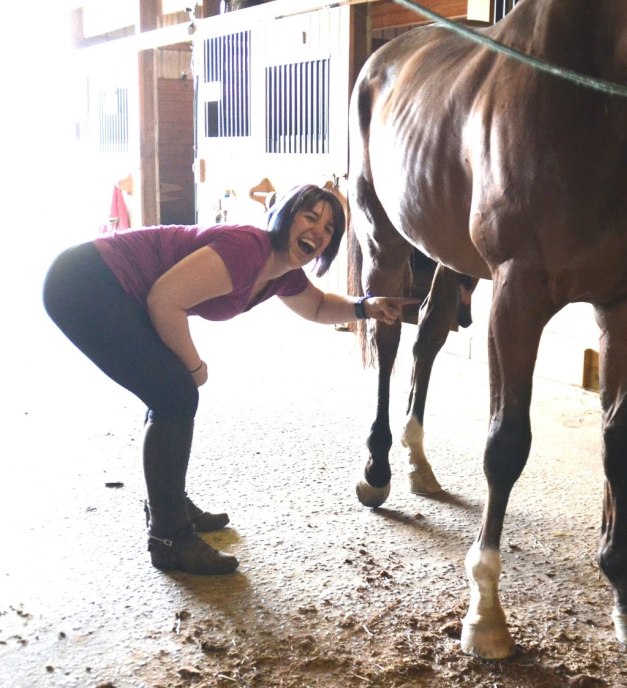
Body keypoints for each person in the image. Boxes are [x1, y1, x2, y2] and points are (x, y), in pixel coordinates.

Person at [42, 184, 417, 576]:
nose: (318, 232)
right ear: (286, 215)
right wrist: (194, 366)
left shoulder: (281, 272)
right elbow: (164, 299)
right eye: (310, 217)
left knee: (169, 393)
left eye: (329, 228)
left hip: (110, 287)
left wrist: (364, 307)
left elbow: (318, 305)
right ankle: (170, 538)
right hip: (84, 282)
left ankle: (167, 503)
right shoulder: (247, 249)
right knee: (175, 394)